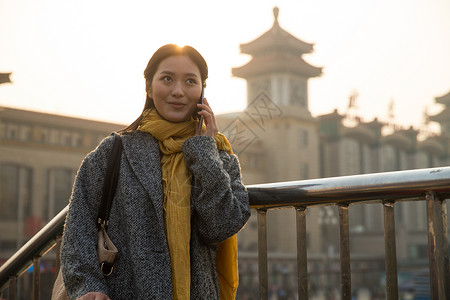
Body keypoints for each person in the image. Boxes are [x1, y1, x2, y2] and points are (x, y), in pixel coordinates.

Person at [60, 44, 251, 299]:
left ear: (202, 91)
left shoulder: (219, 157)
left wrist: (204, 153)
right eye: (167, 79)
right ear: (149, 87)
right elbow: (79, 226)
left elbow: (220, 226)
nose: (178, 91)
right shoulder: (114, 152)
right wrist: (88, 285)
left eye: (190, 81)